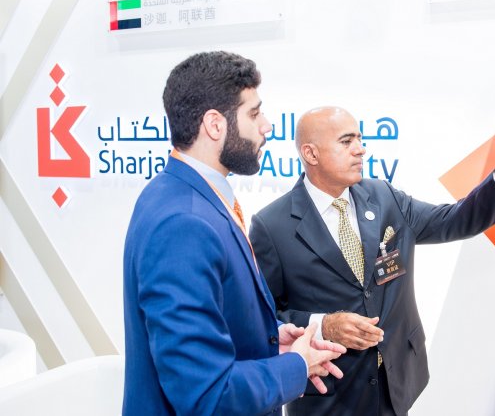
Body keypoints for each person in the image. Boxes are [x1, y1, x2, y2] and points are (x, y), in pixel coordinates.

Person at [249, 106, 495, 415]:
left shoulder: (382, 196)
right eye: (346, 141)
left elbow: (453, 220)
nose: (360, 149)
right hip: (328, 396)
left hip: (395, 383)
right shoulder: (271, 226)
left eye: (360, 139)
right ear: (311, 153)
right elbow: (262, 320)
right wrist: (323, 325)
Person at [122, 53, 346, 416]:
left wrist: (269, 339)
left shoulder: (179, 193)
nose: (267, 126)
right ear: (215, 124)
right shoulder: (183, 224)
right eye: (254, 114)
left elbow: (216, 310)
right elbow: (206, 394)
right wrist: (296, 365)